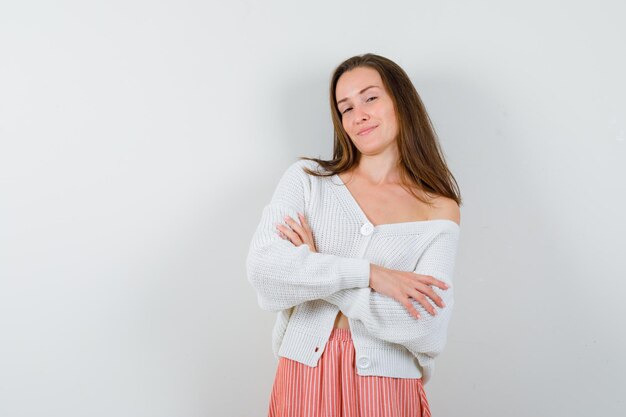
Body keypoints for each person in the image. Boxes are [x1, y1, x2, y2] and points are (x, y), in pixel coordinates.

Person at [246, 53, 462, 417]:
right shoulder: (308, 180)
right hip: (304, 376)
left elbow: (426, 325)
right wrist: (373, 275)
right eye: (345, 107)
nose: (357, 114)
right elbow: (265, 272)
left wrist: (315, 269)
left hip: (387, 387)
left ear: (401, 101)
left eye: (370, 98)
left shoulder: (438, 207)